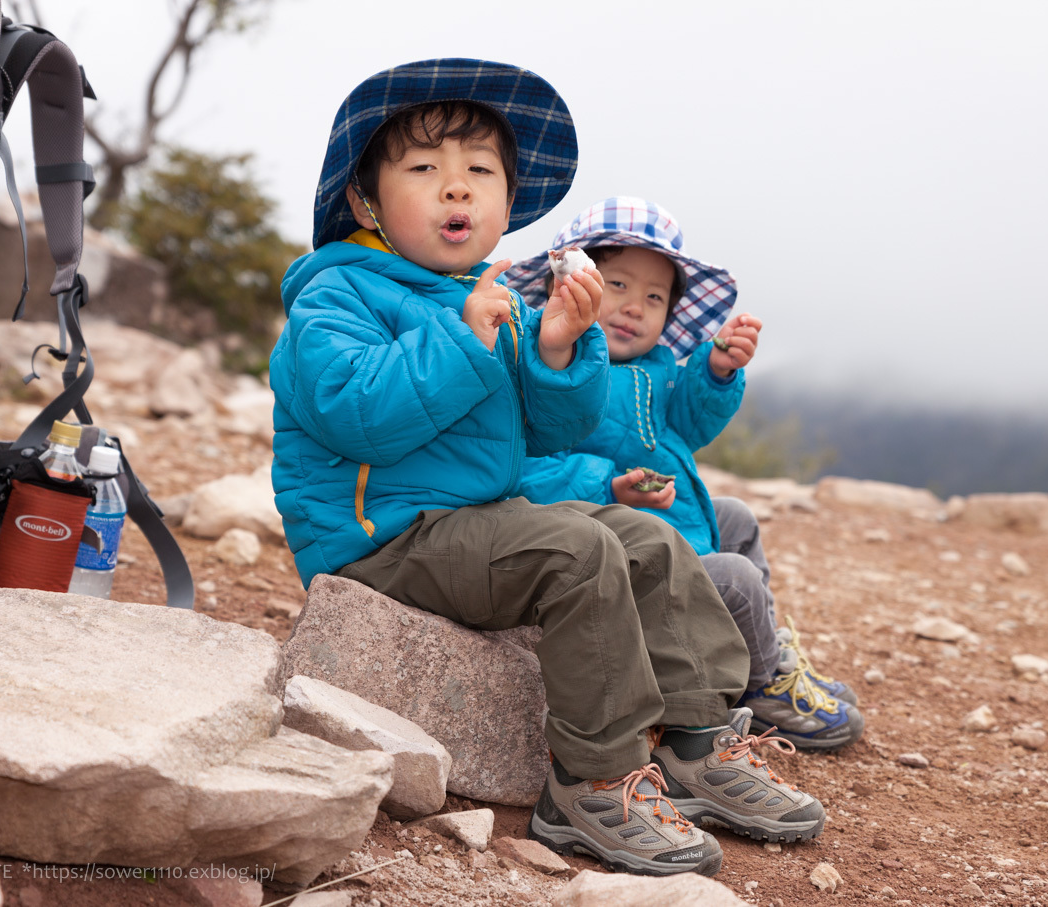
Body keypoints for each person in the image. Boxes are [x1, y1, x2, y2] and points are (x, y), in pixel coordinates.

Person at [268, 61, 825, 878]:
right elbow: (363, 416)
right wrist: (464, 338)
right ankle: (590, 782)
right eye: (425, 171)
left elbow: (559, 432)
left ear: (507, 203)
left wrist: (560, 346)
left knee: (647, 538)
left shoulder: (494, 299)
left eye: (480, 175)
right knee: (581, 554)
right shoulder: (335, 299)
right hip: (380, 535)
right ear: (366, 202)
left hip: (474, 522)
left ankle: (694, 743)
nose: (456, 192)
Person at [509, 197, 864, 751]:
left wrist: (716, 373)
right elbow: (527, 467)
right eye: (617, 285)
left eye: (654, 297)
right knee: (736, 577)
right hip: (629, 552)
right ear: (571, 284)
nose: (634, 307)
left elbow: (688, 428)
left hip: (673, 524)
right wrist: (607, 486)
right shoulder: (554, 367)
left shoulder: (657, 372)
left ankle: (765, 651)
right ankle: (762, 684)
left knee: (738, 518)